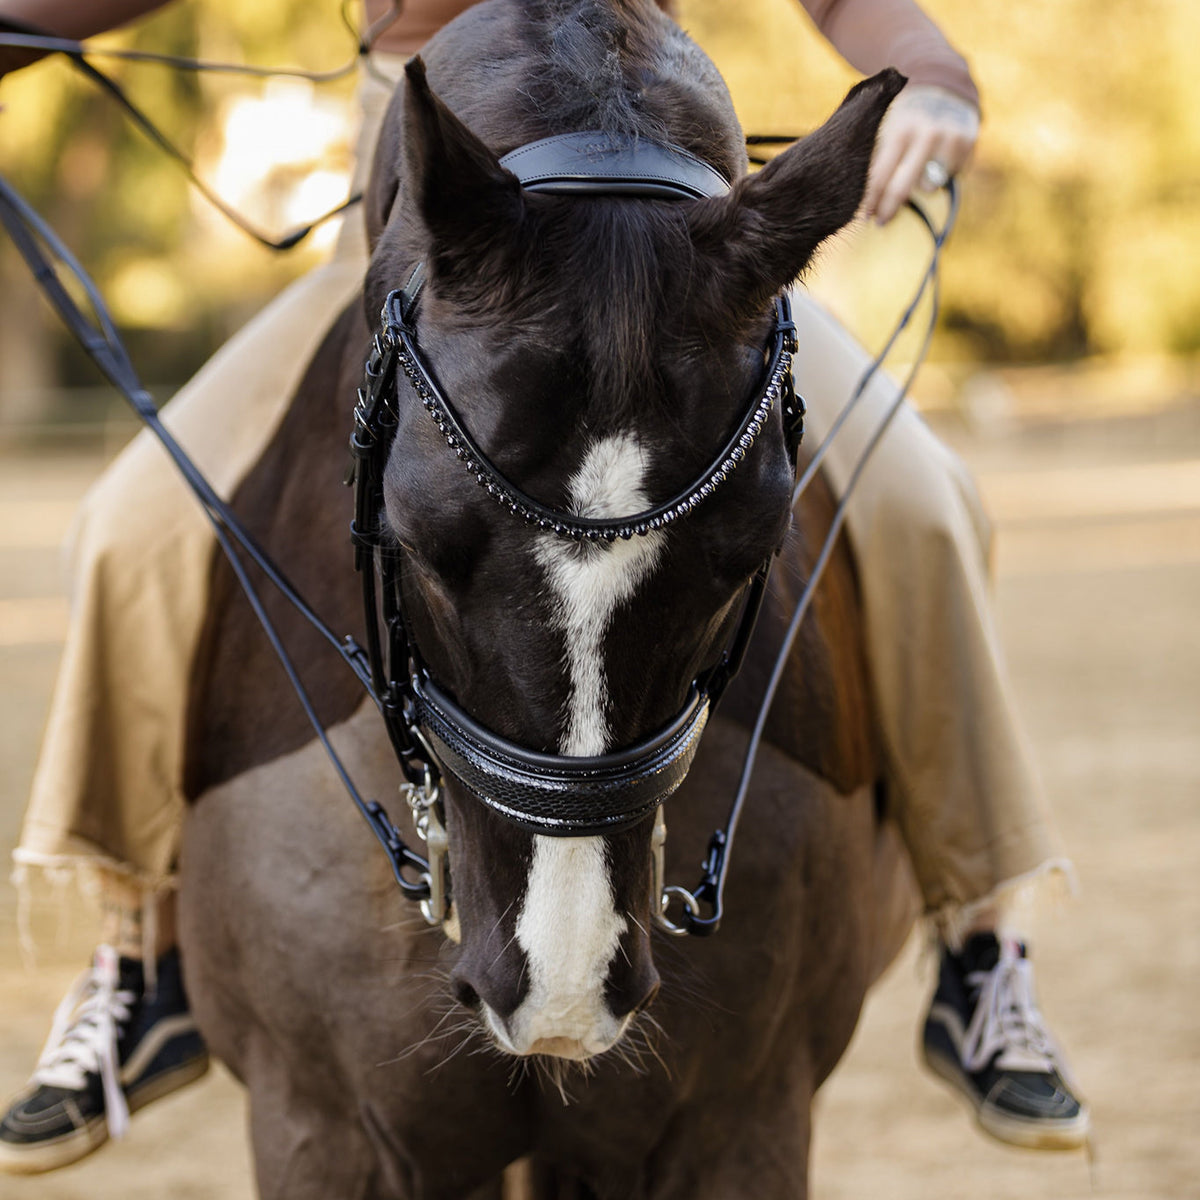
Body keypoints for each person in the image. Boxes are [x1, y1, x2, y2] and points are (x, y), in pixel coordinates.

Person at [0, 0, 1088, 1174]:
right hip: (438, 201)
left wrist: (926, 72)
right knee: (130, 527)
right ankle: (138, 955)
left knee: (926, 503)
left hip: (662, 214)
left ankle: (979, 943)